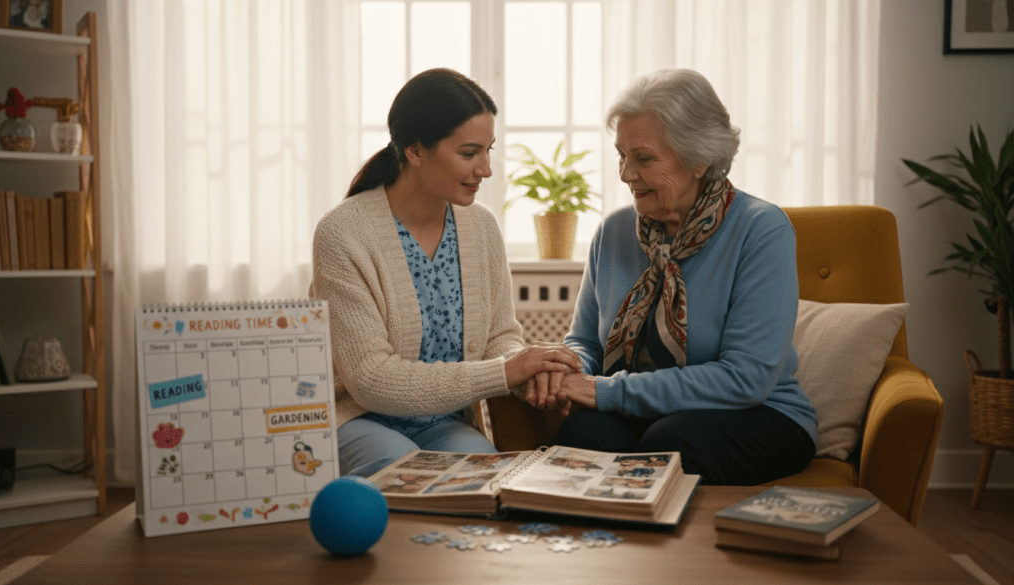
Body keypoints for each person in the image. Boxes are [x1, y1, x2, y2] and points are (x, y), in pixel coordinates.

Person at [518, 69, 818, 486]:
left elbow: (746, 379)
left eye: (643, 158)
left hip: (759, 414)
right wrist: (566, 371)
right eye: (621, 155)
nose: (625, 173)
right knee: (580, 438)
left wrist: (603, 391)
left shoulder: (762, 229)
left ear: (700, 159)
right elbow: (586, 342)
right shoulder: (614, 231)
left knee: (674, 444)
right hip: (642, 412)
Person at [309, 68, 581, 478]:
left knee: (489, 476)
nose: (486, 169)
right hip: (356, 417)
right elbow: (370, 380)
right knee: (405, 471)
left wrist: (530, 371)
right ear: (415, 151)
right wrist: (506, 371)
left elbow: (499, 338)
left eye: (488, 150)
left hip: (444, 423)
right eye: (470, 153)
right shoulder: (342, 234)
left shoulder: (482, 228)